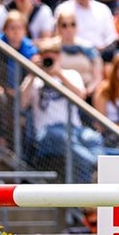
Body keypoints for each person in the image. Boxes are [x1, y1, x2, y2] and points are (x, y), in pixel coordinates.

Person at [21, 38, 105, 183]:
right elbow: (21, 104)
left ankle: (98, 171)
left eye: (53, 54)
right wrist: (32, 73)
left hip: (74, 129)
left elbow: (81, 96)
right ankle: (96, 169)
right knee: (69, 143)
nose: (49, 58)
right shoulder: (34, 80)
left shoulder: (70, 74)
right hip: (47, 132)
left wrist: (58, 74)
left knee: (94, 138)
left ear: (59, 56)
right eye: (45, 54)